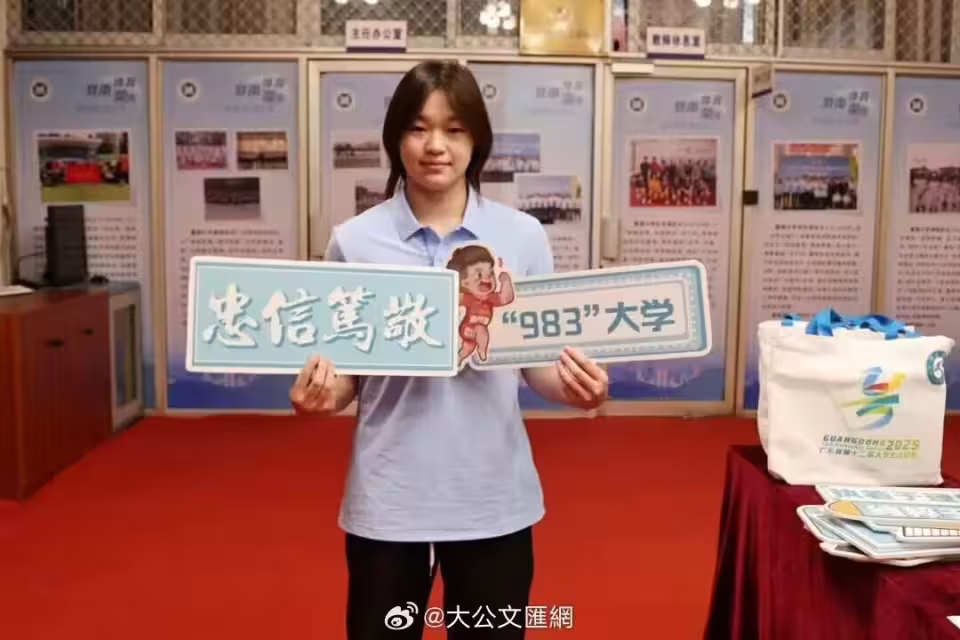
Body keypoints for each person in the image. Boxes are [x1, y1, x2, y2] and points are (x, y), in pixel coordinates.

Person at [290, 60, 609, 640]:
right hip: (389, 498)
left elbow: (535, 361)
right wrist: (321, 395)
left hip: (492, 496)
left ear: (476, 140)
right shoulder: (355, 242)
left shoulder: (521, 236)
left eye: (454, 129)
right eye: (418, 128)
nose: (435, 145)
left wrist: (575, 388)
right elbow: (347, 376)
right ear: (396, 138)